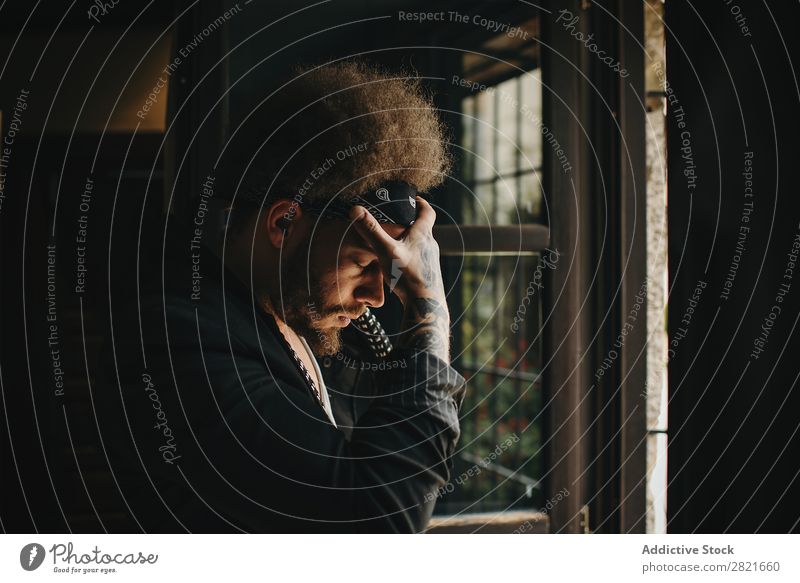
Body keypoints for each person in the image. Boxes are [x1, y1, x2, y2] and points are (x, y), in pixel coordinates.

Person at [95, 61, 465, 532]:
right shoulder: (177, 342)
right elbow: (378, 519)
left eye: (392, 271)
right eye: (364, 263)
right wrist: (429, 303)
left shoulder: (292, 311)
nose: (378, 296)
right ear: (283, 223)